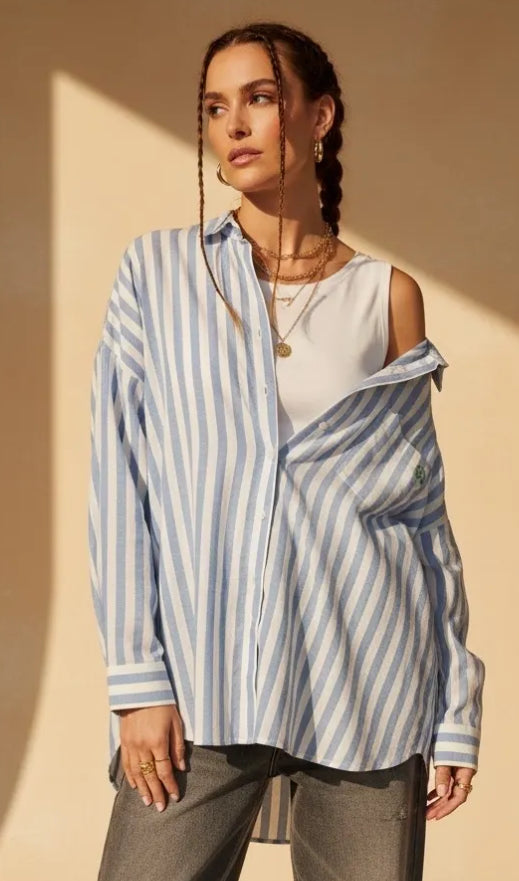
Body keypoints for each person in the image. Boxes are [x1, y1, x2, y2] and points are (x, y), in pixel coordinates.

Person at [88, 20, 486, 881]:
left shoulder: (385, 296)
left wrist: (453, 707)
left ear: (319, 116)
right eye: (214, 107)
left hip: (366, 685)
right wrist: (137, 679)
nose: (232, 125)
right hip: (203, 680)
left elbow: (420, 517)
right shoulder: (158, 275)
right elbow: (118, 485)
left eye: (260, 99)